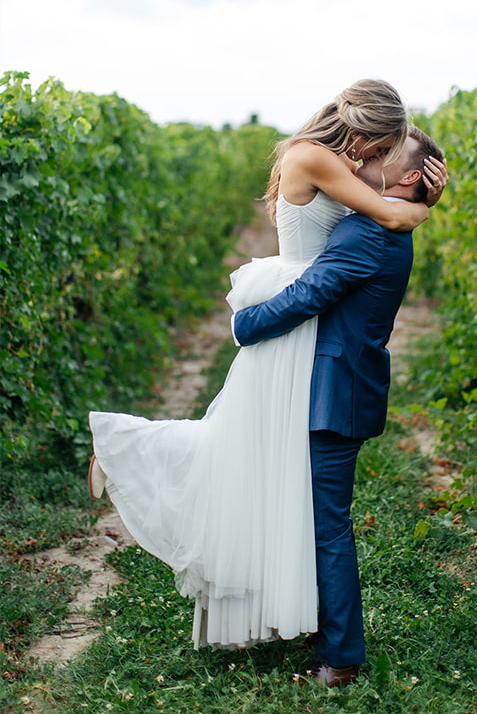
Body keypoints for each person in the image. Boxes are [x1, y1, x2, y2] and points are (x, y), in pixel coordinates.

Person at [88, 80, 447, 654]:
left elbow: (385, 219)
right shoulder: (318, 159)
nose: (370, 160)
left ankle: (129, 449)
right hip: (298, 314)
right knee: (243, 458)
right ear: (362, 132)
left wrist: (418, 197)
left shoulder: (344, 177)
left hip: (310, 327)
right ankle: (126, 446)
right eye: (377, 146)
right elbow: (391, 218)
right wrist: (423, 202)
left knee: (254, 465)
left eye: (381, 154)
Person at [232, 128, 443, 687]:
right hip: (340, 381)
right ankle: (316, 626)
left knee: (327, 525)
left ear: (408, 178)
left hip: (332, 388)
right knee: (316, 516)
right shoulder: (383, 218)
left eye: (381, 155)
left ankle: (342, 657)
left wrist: (242, 324)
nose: (365, 159)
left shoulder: (368, 228)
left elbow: (311, 294)